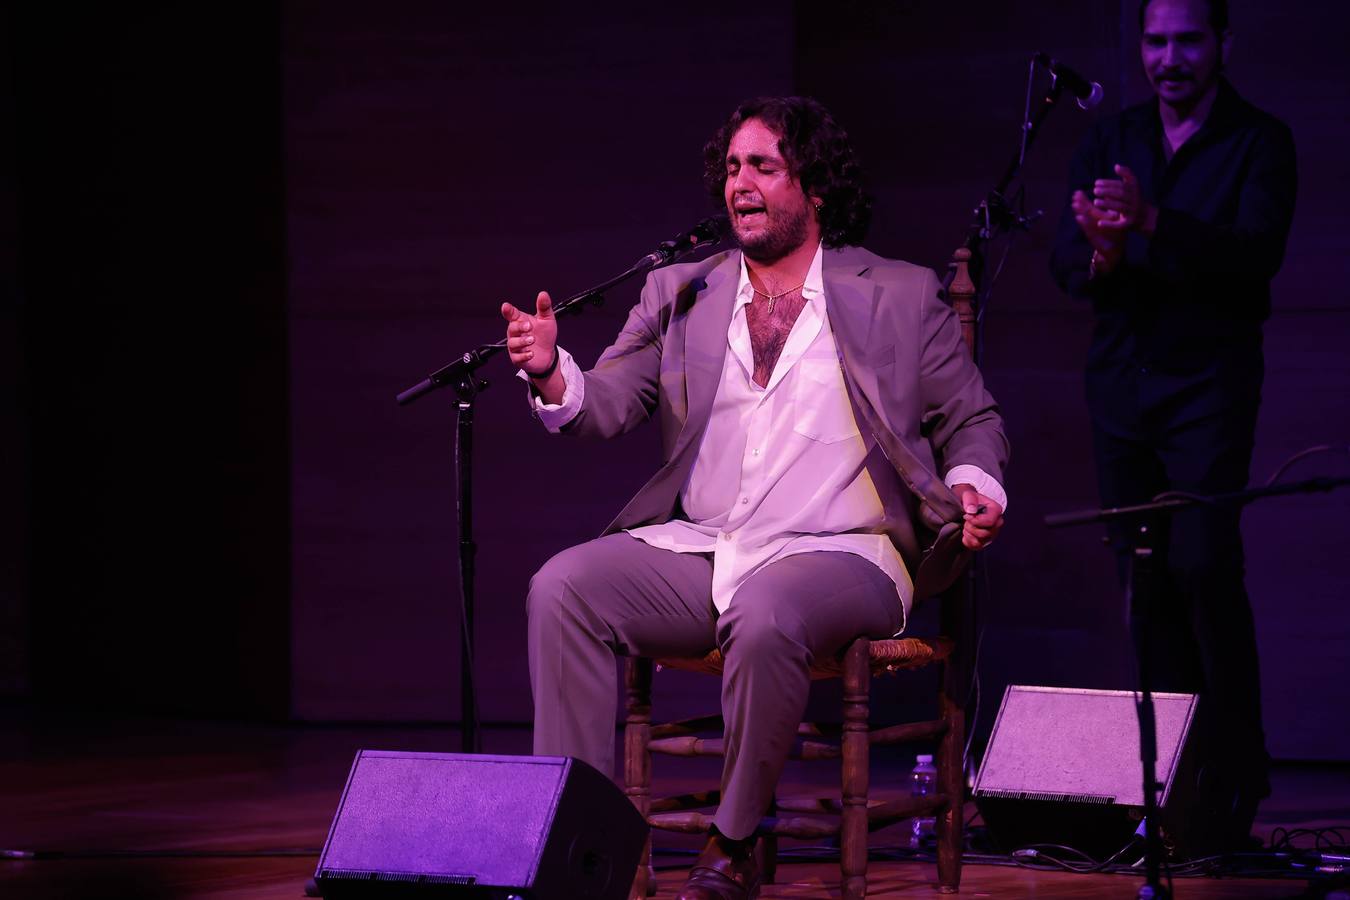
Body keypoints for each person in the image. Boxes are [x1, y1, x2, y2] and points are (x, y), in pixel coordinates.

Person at [502, 96, 1008, 899]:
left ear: (815, 187)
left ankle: (732, 843)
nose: (741, 183)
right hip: (712, 546)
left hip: (848, 551)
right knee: (562, 588)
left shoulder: (900, 294)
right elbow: (608, 401)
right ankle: (575, 857)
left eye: (764, 166)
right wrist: (552, 374)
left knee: (767, 610)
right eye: (733, 167)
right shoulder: (681, 291)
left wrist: (975, 485)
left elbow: (971, 419)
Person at [1050, 0, 1296, 851]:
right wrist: (1101, 251)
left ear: (1223, 42)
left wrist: (1150, 224)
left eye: (1188, 39)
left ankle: (1235, 782)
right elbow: (1065, 262)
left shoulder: (1259, 140)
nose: (1169, 57)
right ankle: (1166, 792)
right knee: (1144, 584)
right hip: (1123, 389)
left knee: (1202, 569)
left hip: (1209, 390)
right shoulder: (1111, 138)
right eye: (1155, 41)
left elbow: (1254, 257)